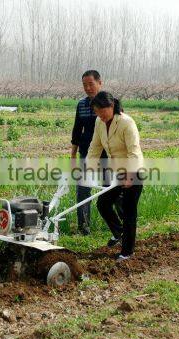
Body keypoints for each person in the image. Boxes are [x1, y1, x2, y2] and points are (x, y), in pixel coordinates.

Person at [86, 91, 144, 261]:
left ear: (111, 107)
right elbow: (95, 147)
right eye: (96, 112)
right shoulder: (99, 122)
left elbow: (134, 151)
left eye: (102, 111)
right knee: (103, 204)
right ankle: (119, 232)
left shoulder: (126, 123)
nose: (100, 115)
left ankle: (127, 252)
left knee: (128, 211)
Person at [71, 70, 123, 235]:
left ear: (100, 83)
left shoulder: (110, 103)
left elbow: (119, 127)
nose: (87, 88)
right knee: (83, 189)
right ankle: (84, 227)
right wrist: (74, 153)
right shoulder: (81, 104)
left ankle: (121, 224)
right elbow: (77, 130)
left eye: (91, 84)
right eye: (84, 85)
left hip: (108, 154)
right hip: (88, 152)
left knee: (111, 189)